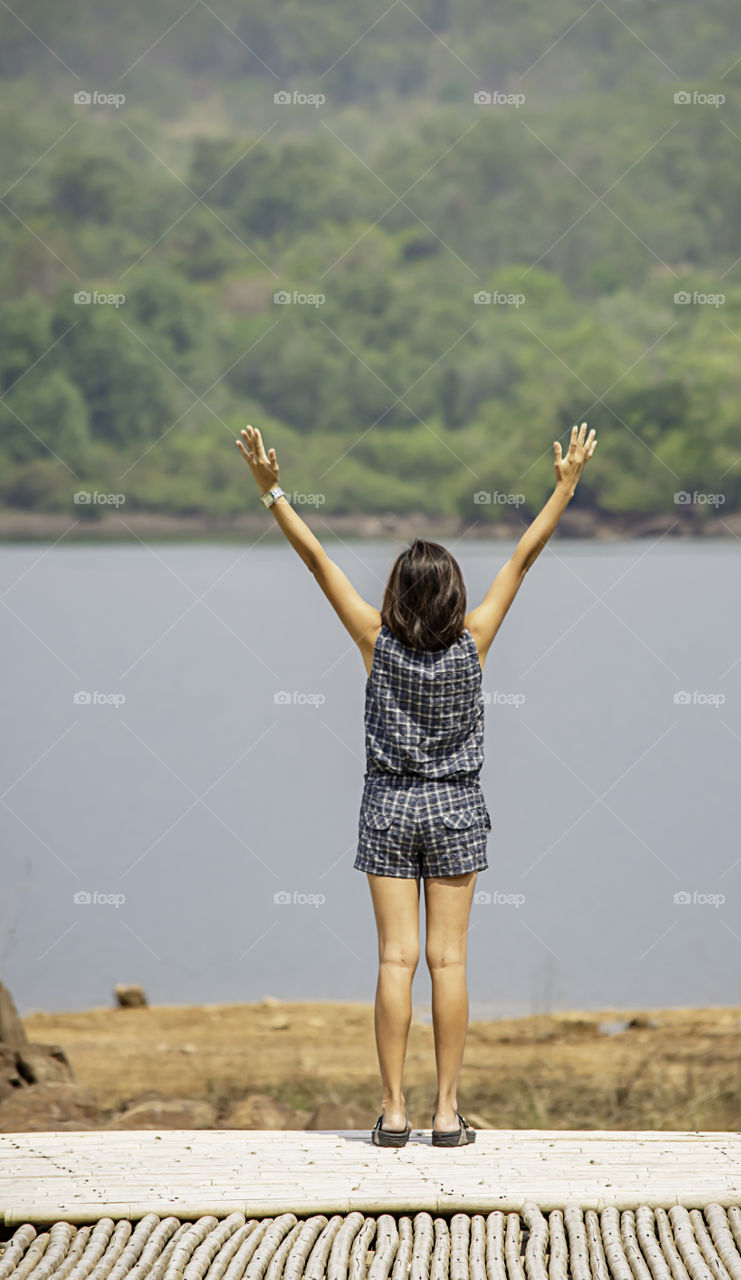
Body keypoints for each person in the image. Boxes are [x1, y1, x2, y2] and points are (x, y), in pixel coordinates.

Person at [236, 421, 598, 1148]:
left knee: (395, 961)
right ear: (454, 594)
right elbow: (522, 561)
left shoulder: (375, 641)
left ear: (397, 594)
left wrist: (272, 490)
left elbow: (316, 563)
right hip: (457, 805)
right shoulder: (477, 640)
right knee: (449, 961)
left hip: (388, 806)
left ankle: (394, 1111)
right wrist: (564, 487)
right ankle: (445, 1113)